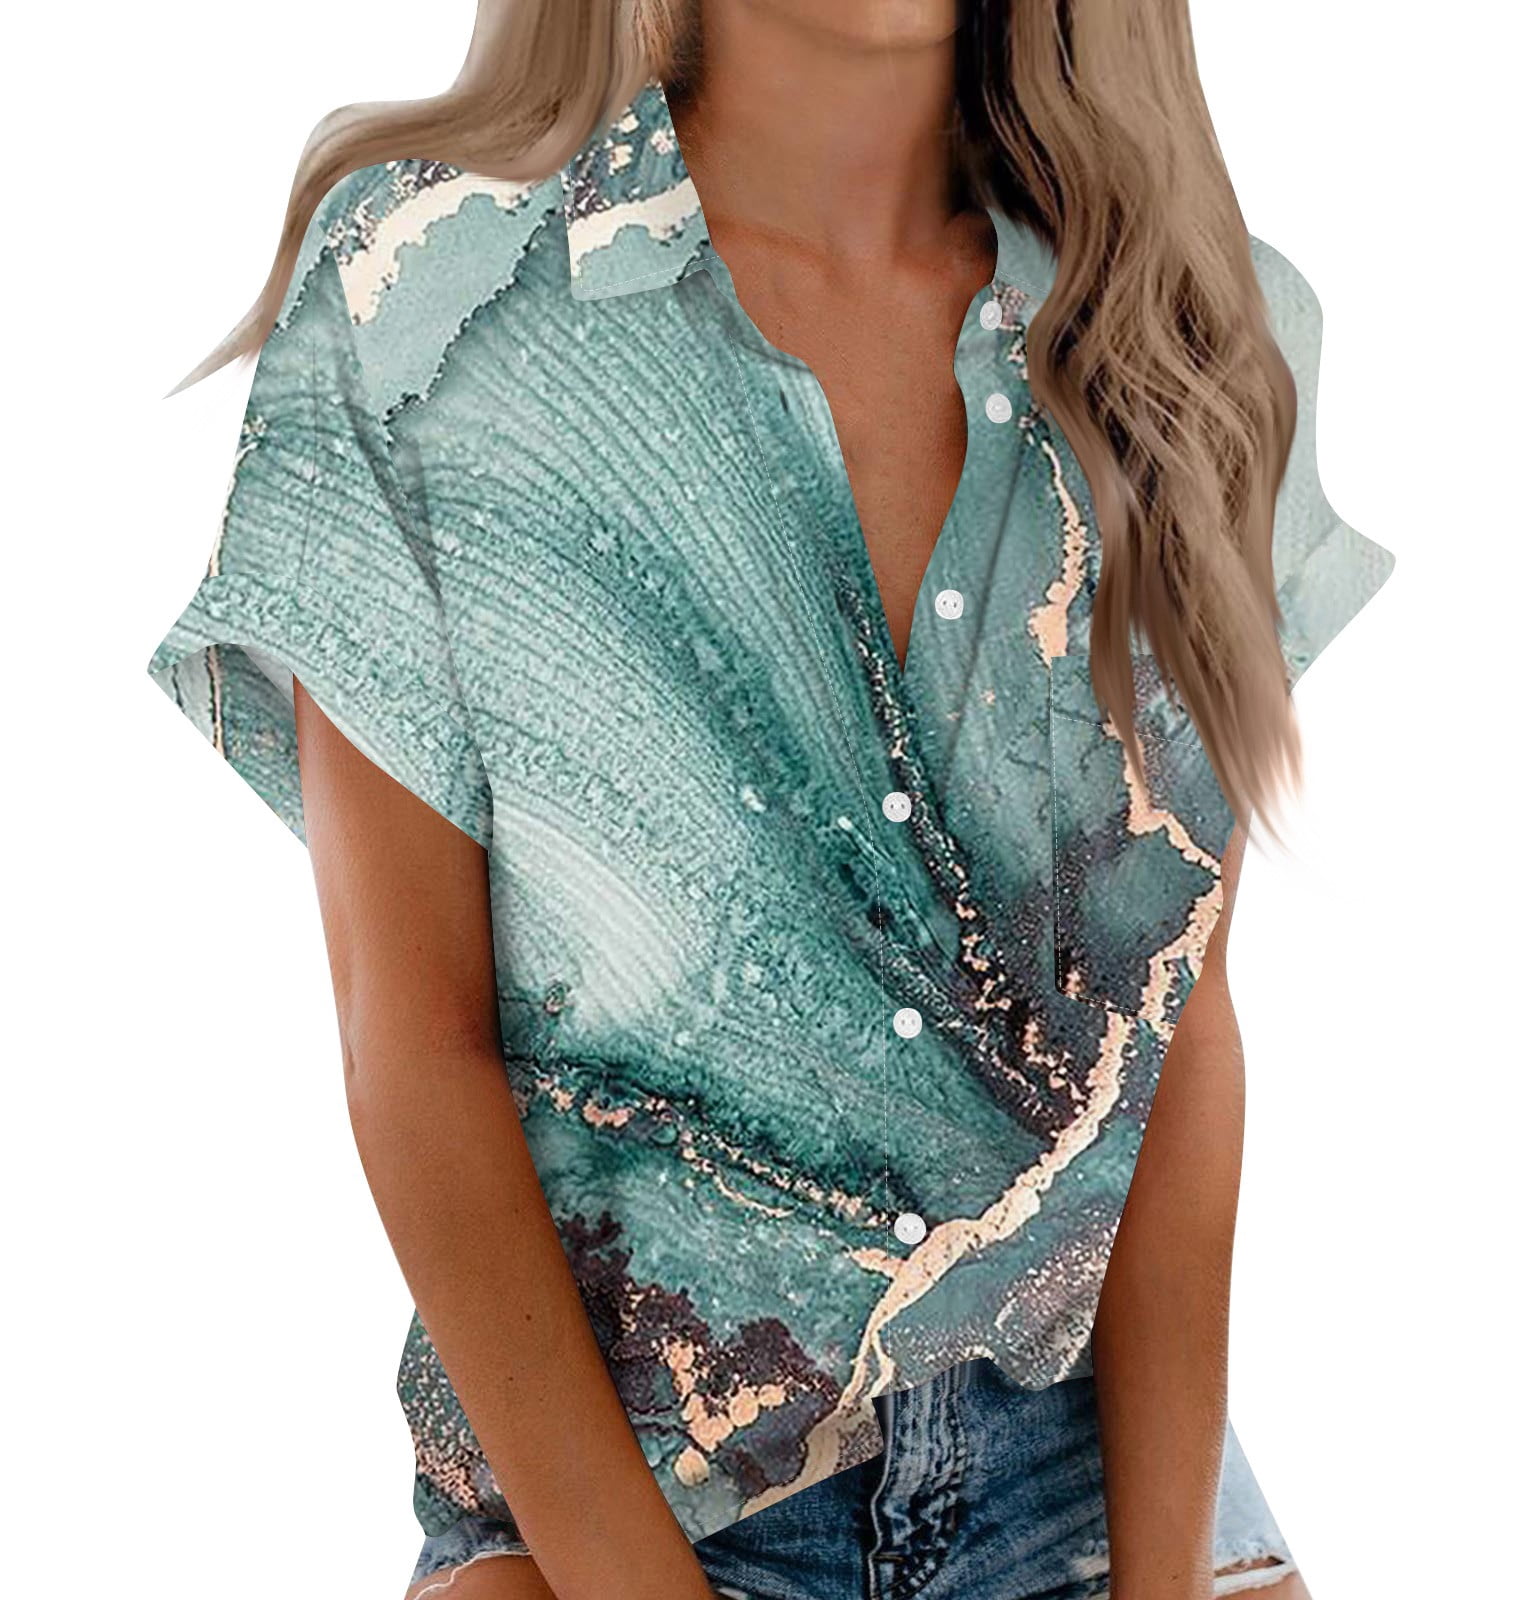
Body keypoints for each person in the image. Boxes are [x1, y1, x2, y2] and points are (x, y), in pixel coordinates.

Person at [146, 2, 1393, 1596]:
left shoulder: (1192, 338)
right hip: (626, 1495)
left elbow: (1176, 1033)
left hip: (1094, 1472)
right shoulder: (431, 301)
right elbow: (417, 1049)